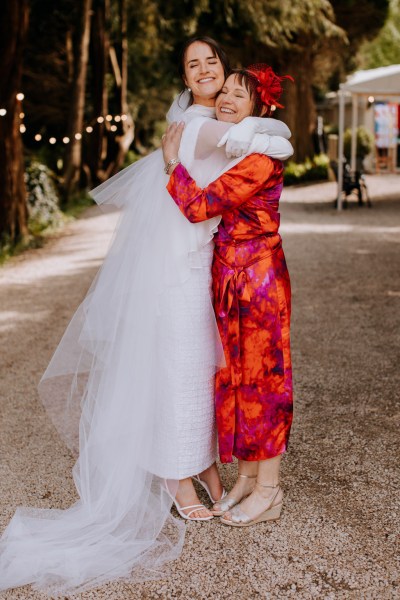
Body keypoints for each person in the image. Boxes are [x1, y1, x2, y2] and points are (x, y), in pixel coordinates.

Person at [0, 40, 292, 595]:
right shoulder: (199, 125)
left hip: (231, 267)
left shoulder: (219, 126)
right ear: (186, 77)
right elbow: (228, 154)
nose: (213, 78)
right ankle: (182, 473)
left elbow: (253, 142)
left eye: (222, 72)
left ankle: (224, 471)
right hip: (196, 263)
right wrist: (186, 152)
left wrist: (272, 131)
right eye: (196, 67)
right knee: (193, 365)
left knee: (226, 370)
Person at [163, 64, 294, 527]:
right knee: (235, 378)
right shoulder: (237, 147)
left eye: (241, 95)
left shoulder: (258, 158)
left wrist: (171, 164)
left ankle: (269, 490)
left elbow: (199, 207)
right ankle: (247, 477)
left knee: (265, 383)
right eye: (227, 92)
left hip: (257, 276)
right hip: (228, 274)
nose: (228, 99)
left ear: (258, 109)